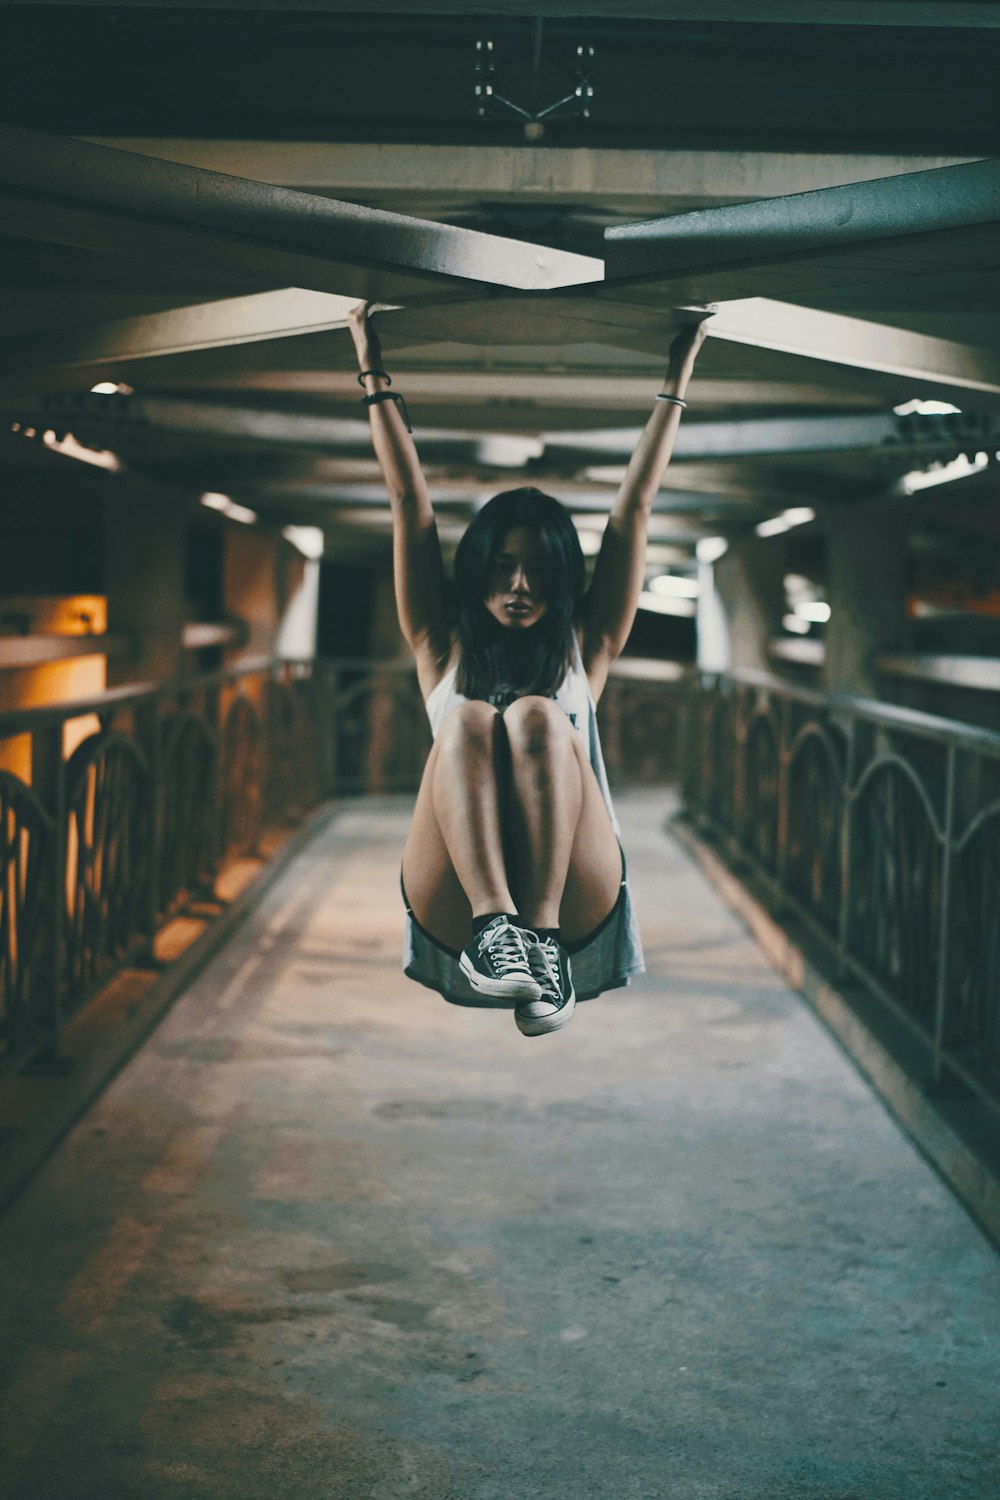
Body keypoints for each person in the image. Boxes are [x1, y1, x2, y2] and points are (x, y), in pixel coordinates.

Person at [348, 301, 709, 1037]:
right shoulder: (439, 645)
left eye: (539, 571)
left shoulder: (588, 646)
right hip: (457, 892)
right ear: (478, 569)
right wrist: (370, 368)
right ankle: (494, 932)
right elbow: (407, 504)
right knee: (471, 718)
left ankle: (540, 947)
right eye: (505, 567)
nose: (521, 587)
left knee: (537, 713)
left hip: (571, 895)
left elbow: (633, 509)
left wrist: (678, 376)